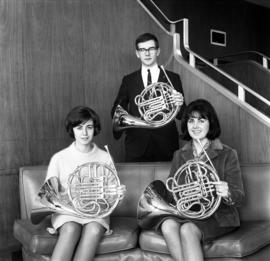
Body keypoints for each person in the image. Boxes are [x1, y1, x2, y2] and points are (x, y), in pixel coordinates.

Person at [157, 99, 245, 261]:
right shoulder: (179, 154)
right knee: (167, 225)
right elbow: (172, 193)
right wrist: (183, 192)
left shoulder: (227, 153)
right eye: (191, 120)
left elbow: (239, 197)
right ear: (186, 124)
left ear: (211, 124)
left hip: (219, 215)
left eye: (201, 120)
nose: (195, 125)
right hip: (191, 213)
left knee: (187, 230)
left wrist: (227, 192)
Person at [44, 106, 118, 261]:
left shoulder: (105, 157)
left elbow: (111, 193)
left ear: (95, 129)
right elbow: (49, 194)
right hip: (68, 212)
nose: (84, 133)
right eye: (79, 128)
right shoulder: (59, 158)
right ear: (72, 130)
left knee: (93, 230)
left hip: (97, 212)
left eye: (89, 127)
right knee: (70, 229)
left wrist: (117, 194)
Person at [111, 32, 186, 162]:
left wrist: (179, 106)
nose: (147, 53)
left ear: (158, 51)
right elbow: (116, 110)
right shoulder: (129, 80)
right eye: (142, 49)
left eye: (151, 49)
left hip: (166, 143)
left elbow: (182, 115)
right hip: (137, 144)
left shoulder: (173, 78)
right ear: (137, 53)